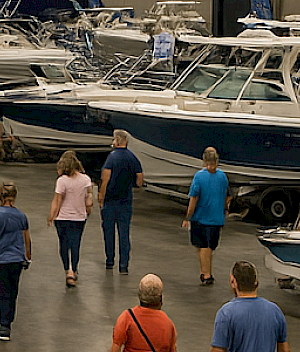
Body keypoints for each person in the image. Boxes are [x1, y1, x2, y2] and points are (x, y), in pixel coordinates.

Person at [0, 182, 30, 341]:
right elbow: (27, 239)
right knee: (12, 291)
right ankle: (9, 318)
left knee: (2, 292)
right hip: (17, 259)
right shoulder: (21, 216)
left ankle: (4, 326)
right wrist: (27, 256)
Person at [211, 261, 289, 352]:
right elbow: (284, 348)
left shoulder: (226, 313)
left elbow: (217, 349)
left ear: (233, 282)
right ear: (256, 282)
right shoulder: (275, 311)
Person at [99, 129, 144, 274]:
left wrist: (101, 197)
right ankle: (124, 265)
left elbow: (105, 179)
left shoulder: (111, 158)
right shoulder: (132, 158)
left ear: (117, 140)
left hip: (110, 201)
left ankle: (110, 260)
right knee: (124, 234)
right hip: (126, 201)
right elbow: (140, 179)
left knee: (109, 232)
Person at [184, 147, 229, 286]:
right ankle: (205, 271)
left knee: (202, 246)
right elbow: (228, 196)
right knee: (209, 248)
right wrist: (225, 210)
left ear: (204, 161)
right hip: (217, 218)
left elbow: (193, 198)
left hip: (201, 217)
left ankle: (206, 274)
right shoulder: (223, 176)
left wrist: (187, 217)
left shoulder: (199, 176)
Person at [49, 151, 93, 287]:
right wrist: (88, 210)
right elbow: (89, 198)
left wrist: (51, 216)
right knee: (75, 244)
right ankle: (73, 270)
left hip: (62, 218)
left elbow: (57, 200)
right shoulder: (85, 179)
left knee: (63, 244)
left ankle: (67, 270)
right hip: (79, 218)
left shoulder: (62, 181)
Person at [112, 274, 176, 352]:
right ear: (160, 299)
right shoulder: (168, 324)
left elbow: (116, 347)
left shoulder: (127, 317)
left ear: (139, 296)